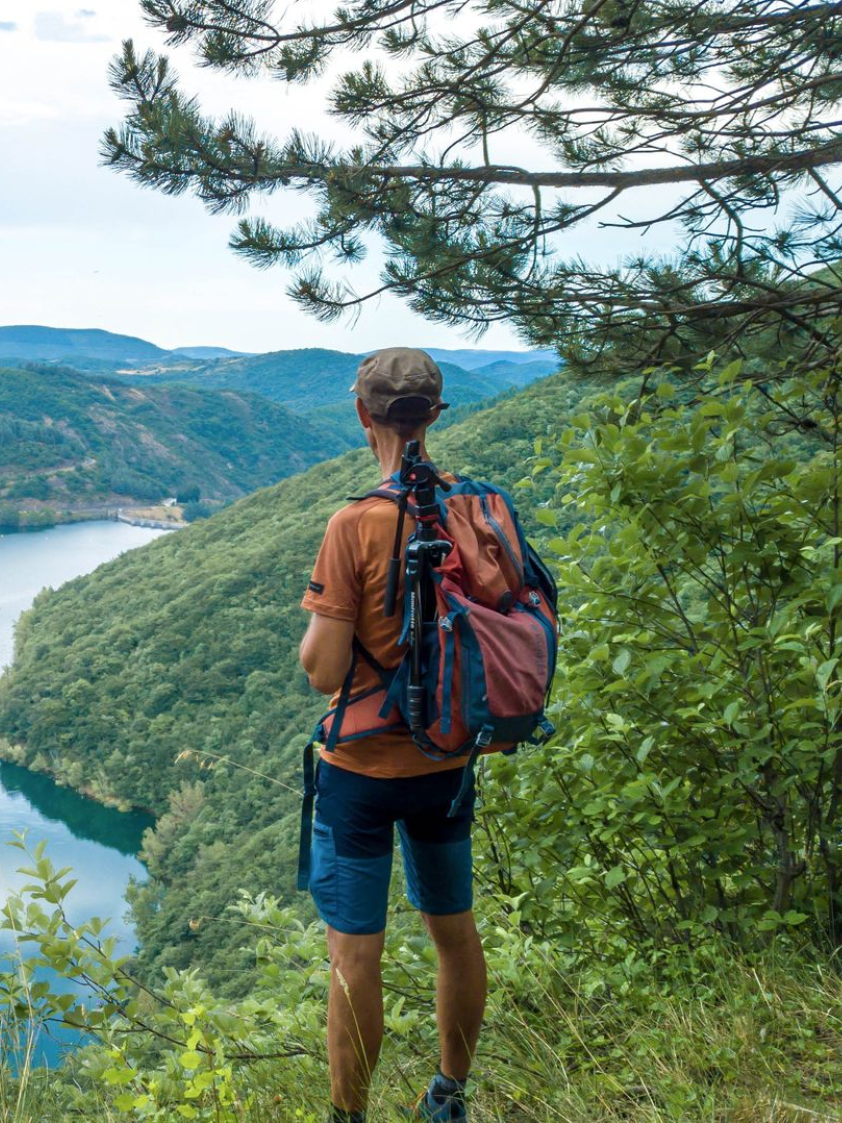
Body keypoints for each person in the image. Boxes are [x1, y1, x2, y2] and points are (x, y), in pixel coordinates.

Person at [298, 348, 482, 1123]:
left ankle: (350, 1116)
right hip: (446, 760)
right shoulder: (476, 510)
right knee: (453, 930)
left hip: (361, 772)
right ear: (437, 414)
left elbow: (321, 668)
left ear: (362, 414)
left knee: (355, 956)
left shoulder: (355, 523)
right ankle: (448, 1096)